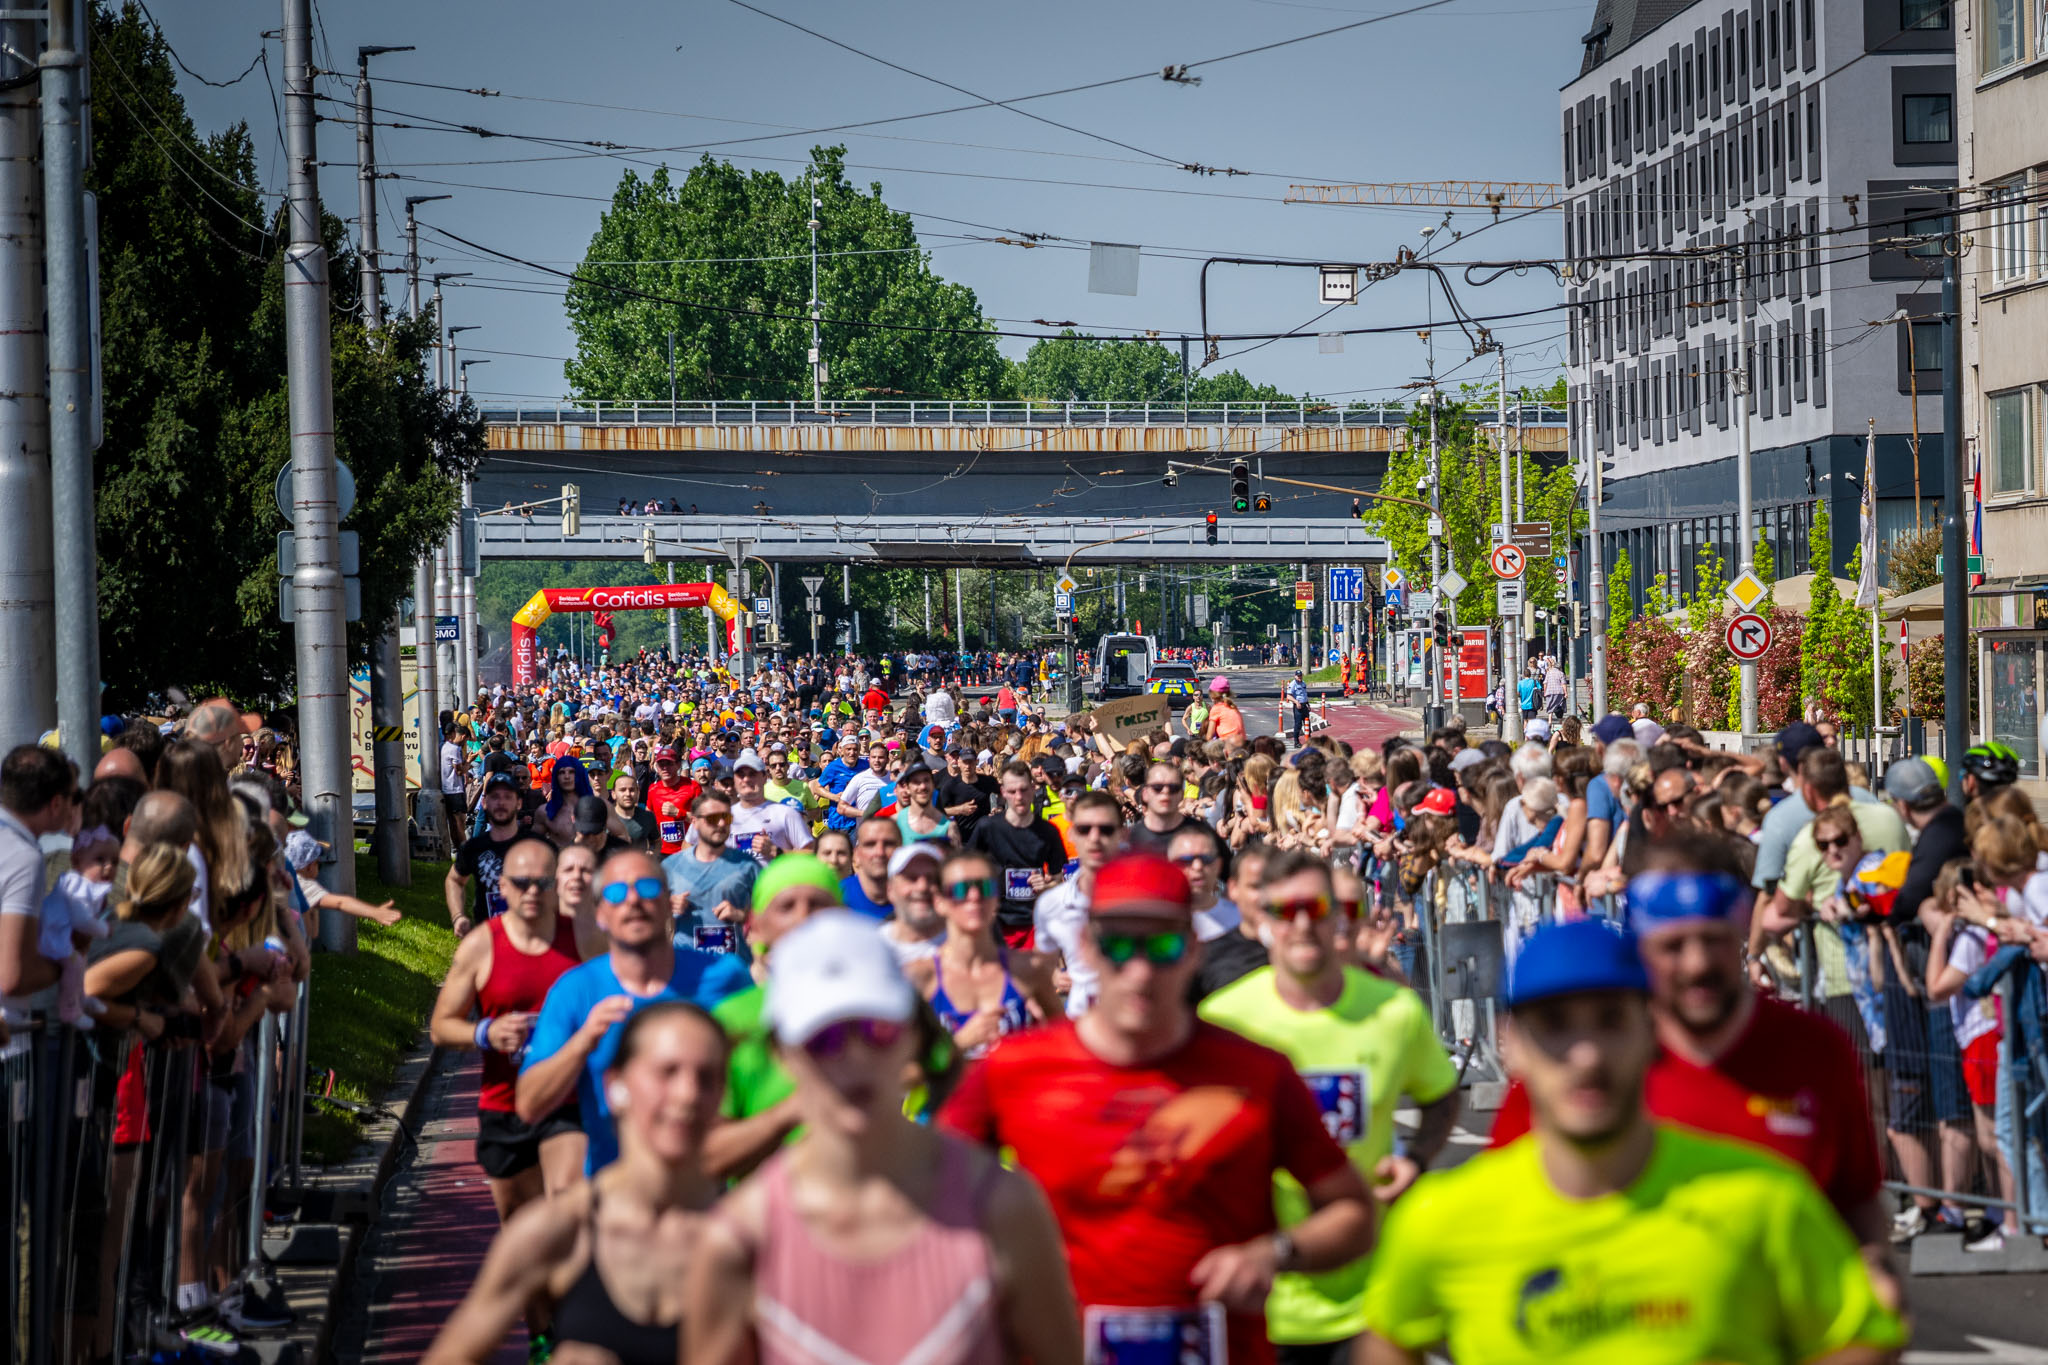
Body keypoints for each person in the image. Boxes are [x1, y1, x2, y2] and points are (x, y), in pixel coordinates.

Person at [1362, 917, 1906, 1364]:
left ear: (1652, 1031)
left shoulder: (1764, 1199)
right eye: (1555, 1025)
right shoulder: (1442, 1221)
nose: (1587, 1055)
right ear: (1512, 1044)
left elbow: (1865, 1337)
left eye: (1611, 1021)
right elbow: (1385, 1343)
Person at [941, 850, 1375, 1365]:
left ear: (1192, 949)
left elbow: (1354, 1213)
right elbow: (921, 1199)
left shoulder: (1257, 1072)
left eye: (1163, 945)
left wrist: (1275, 1253)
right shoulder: (1014, 1070)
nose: (1140, 970)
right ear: (1087, 947)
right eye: (1119, 945)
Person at [1489, 833, 1897, 1307]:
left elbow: (1855, 1201)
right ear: (1639, 944)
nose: (1698, 964)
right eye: (1673, 946)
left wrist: (1878, 1276)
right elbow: (1499, 1207)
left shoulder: (1817, 1050)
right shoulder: (1587, 1061)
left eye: (1714, 940)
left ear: (1740, 930)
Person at [684, 910, 1083, 1365]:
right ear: (782, 1053)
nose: (854, 1057)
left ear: (913, 1038)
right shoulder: (737, 1241)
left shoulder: (1006, 1207)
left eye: (878, 1030)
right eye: (824, 1038)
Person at [1200, 848, 1460, 1364]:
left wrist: (1416, 1159)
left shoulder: (1393, 1011)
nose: (1301, 924)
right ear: (1265, 921)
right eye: (1286, 911)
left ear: (1337, 915)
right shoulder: (1222, 1020)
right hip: (1261, 1299)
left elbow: (1442, 1093)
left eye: (1315, 908)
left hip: (1372, 1300)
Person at [427, 1002, 729, 1365]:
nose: (688, 1094)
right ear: (615, 1085)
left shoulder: (752, 1234)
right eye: (667, 1072)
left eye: (707, 1077)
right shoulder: (558, 1230)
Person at [430, 836, 587, 1352]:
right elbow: (441, 1026)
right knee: (523, 1235)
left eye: (543, 882)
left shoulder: (583, 936)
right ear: (501, 886)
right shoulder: (483, 945)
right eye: (522, 883)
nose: (533, 892)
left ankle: (577, 1332)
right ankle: (543, 1337)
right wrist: (485, 1032)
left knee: (569, 1213)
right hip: (505, 1103)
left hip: (570, 1102)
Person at [518, 849, 751, 1174]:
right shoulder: (575, 990)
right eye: (616, 893)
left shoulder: (726, 976)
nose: (633, 900)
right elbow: (529, 1104)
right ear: (600, 913)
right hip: (616, 1191)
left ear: (668, 903)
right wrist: (583, 1042)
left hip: (710, 1188)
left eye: (647, 888)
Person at [704, 854, 846, 1180]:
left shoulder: (879, 1006)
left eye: (818, 904)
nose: (804, 918)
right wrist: (795, 1110)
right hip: (762, 1207)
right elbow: (708, 1158)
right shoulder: (730, 1019)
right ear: (756, 926)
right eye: (786, 907)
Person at [908, 849, 1060, 1058]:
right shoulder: (920, 977)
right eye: (960, 889)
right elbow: (903, 1068)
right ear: (939, 901)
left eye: (985, 888)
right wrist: (960, 1044)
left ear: (996, 899)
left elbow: (1065, 1042)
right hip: (952, 1081)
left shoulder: (1028, 969)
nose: (974, 897)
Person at [969, 761, 1070, 949]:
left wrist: (1046, 886)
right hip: (996, 921)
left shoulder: (1048, 831)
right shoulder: (988, 827)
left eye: (1023, 790)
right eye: (1012, 791)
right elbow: (967, 871)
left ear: (1033, 789)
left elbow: (1059, 879)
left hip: (1035, 922)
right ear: (1003, 792)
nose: (1019, 797)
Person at [661, 791, 758, 957]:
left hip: (734, 966)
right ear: (695, 822)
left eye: (726, 817)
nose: (721, 823)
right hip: (687, 964)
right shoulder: (671, 866)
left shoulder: (748, 865)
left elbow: (769, 914)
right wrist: (666, 907)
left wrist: (742, 915)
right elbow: (647, 916)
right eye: (713, 818)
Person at [447, 772, 527, 937]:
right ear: (484, 803)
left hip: (530, 938)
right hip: (490, 938)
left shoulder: (535, 846)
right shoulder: (474, 847)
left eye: (507, 797)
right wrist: (458, 916)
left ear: (519, 803)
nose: (501, 803)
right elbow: (454, 880)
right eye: (495, 797)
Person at [728, 751, 812, 863]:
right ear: (734, 779)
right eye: (741, 775)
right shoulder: (724, 817)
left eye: (752, 774)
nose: (746, 779)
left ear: (764, 777)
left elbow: (810, 853)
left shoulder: (786, 814)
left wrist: (776, 851)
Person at [879, 841, 948, 968]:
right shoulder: (875, 947)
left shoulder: (965, 944)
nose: (922, 887)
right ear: (890, 890)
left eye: (931, 878)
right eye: (911, 878)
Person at [838, 815, 902, 919]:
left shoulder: (917, 894)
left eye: (888, 844)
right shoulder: (837, 897)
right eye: (870, 844)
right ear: (856, 855)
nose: (879, 852)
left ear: (901, 849)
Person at [645, 747, 701, 860]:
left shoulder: (693, 786)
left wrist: (679, 813)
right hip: (661, 852)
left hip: (687, 850)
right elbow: (648, 819)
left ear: (678, 765)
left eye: (669, 764)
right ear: (656, 767)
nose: (665, 768)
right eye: (661, 764)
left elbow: (703, 820)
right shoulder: (652, 789)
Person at [1125, 760, 1190, 855]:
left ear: (1182, 794)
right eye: (1157, 787)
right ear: (1145, 793)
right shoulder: (1132, 838)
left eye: (1173, 788)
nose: (1165, 792)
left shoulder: (1199, 833)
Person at [607, 769, 659, 852]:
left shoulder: (648, 817)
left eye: (632, 790)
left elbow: (656, 842)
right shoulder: (605, 818)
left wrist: (652, 853)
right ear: (613, 794)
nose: (628, 794)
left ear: (638, 793)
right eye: (622, 790)